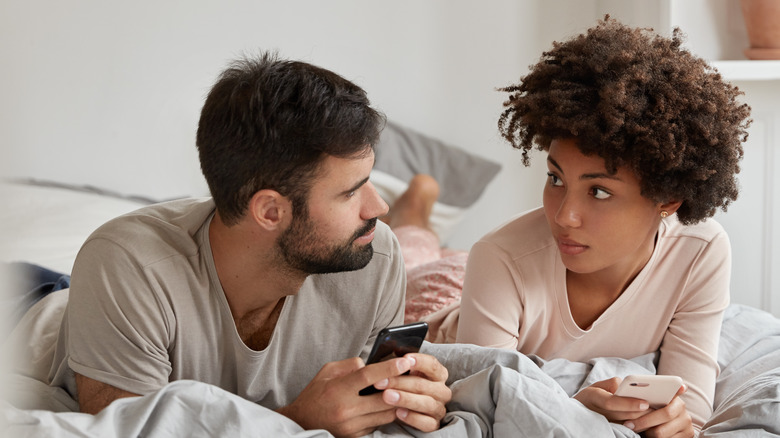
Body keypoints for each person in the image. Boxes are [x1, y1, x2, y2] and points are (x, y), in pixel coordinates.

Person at [14, 52, 451, 437]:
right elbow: (127, 430)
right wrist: (297, 421)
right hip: (32, 307)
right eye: (351, 192)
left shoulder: (376, 255)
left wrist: (406, 399)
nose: (378, 208)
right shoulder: (128, 266)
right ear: (270, 211)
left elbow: (368, 407)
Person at [455, 17, 751, 437]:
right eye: (556, 179)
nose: (563, 216)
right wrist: (574, 410)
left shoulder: (700, 251)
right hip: (457, 301)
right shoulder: (499, 259)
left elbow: (693, 411)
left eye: (598, 192)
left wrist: (673, 422)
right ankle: (419, 205)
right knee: (424, 255)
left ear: (667, 199)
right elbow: (481, 414)